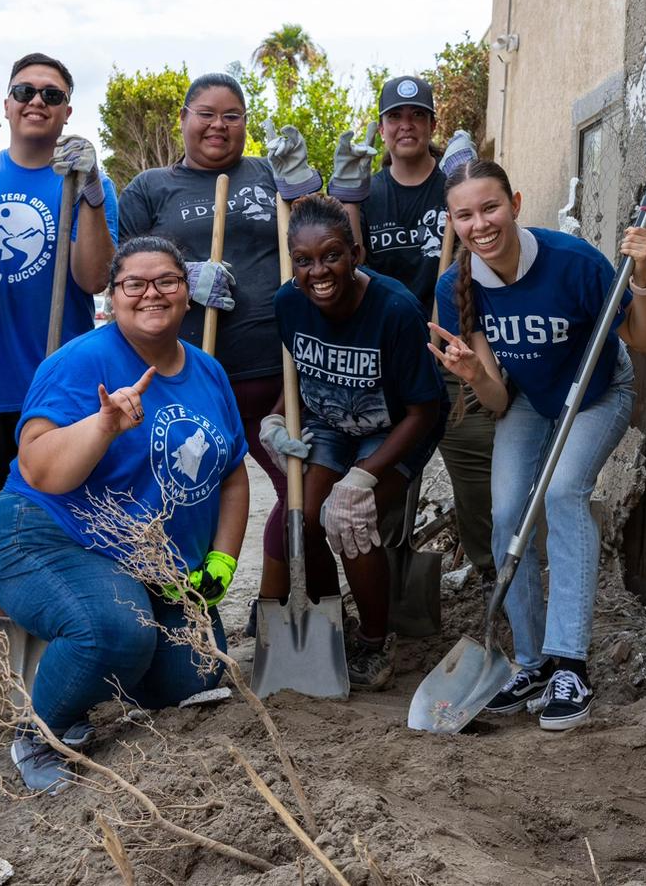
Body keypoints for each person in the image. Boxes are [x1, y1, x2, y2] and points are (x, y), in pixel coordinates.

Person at [0, 236, 250, 793]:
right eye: (134, 284)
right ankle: (40, 733)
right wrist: (102, 426)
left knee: (196, 667)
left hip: (142, 563)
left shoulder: (208, 372)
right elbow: (42, 470)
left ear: (187, 294)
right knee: (112, 630)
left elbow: (234, 474)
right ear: (113, 295)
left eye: (167, 281)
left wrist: (221, 558)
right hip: (41, 536)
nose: (152, 293)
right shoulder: (81, 361)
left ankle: (90, 661)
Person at [431, 158, 646, 731]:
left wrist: (641, 277)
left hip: (597, 393)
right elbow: (500, 401)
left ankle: (570, 665)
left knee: (561, 494)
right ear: (451, 222)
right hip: (530, 399)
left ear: (516, 203)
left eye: (491, 207)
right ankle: (529, 663)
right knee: (507, 510)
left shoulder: (571, 261)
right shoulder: (454, 288)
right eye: (465, 215)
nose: (480, 223)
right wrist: (471, 374)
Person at [118, 73, 293, 603]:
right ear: (184, 119)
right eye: (206, 113)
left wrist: (304, 183)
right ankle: (175, 602)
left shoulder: (268, 175)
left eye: (232, 115)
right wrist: (184, 275)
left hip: (275, 366)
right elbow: (120, 270)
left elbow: (315, 239)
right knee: (186, 492)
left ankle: (271, 604)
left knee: (299, 491)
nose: (219, 125)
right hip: (191, 372)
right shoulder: (150, 187)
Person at [268, 195, 447, 690]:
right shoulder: (288, 303)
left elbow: (424, 410)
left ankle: (374, 638)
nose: (317, 271)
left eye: (331, 255)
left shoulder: (395, 311)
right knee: (300, 517)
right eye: (303, 261)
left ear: (356, 254)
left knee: (348, 517)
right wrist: (277, 418)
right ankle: (330, 625)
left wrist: (364, 477)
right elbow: (298, 372)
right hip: (329, 422)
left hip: (395, 425)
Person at [0, 52, 119, 510]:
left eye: (53, 95)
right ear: (6, 105)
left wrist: (90, 193)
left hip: (60, 388)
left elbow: (93, 279)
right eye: (25, 92)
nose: (37, 101)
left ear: (67, 112)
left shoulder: (91, 186)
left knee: (61, 519)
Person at [353, 77, 497, 574]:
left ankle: (491, 575)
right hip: (391, 363)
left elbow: (491, 236)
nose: (406, 125)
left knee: (480, 479)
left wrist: (469, 180)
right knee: (388, 482)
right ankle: (389, 585)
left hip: (455, 352)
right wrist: (347, 200)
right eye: (396, 116)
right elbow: (352, 269)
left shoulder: (456, 186)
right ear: (382, 127)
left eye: (417, 115)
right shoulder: (367, 194)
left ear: (433, 124)